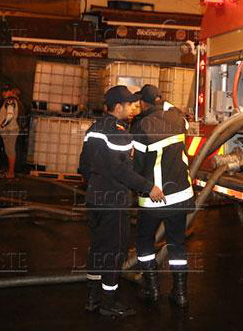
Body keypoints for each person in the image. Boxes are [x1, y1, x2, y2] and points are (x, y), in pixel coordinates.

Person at [78, 85, 165, 317]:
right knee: (115, 252)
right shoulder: (120, 134)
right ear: (118, 107)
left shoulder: (93, 129)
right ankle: (109, 302)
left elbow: (83, 166)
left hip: (95, 199)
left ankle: (92, 298)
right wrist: (150, 188)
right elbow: (123, 172)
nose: (133, 107)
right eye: (129, 104)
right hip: (113, 202)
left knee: (97, 248)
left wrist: (97, 184)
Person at [131, 84, 194, 307]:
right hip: (180, 195)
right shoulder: (178, 119)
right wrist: (164, 103)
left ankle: (152, 289)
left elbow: (136, 166)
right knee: (177, 245)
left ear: (143, 103)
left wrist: (139, 188)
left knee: (144, 241)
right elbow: (178, 112)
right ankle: (180, 294)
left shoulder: (141, 126)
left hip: (154, 197)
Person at [0, 87, 21, 179]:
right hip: (10, 130)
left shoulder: (10, 101)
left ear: (10, 92)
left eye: (5, 91)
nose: (3, 93)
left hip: (9, 130)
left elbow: (9, 116)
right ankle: (10, 172)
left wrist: (2, 125)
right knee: (9, 151)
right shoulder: (11, 101)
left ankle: (11, 173)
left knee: (10, 151)